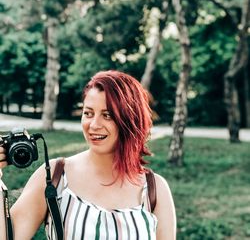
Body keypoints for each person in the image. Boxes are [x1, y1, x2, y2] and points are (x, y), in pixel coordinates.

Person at [0, 70, 176, 239]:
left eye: (107, 115)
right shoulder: (54, 175)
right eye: (88, 113)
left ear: (129, 120)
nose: (94, 125)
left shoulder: (155, 190)